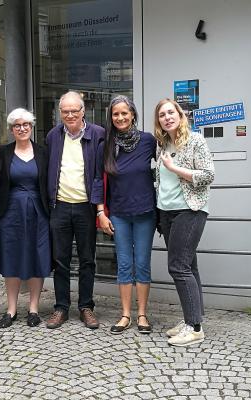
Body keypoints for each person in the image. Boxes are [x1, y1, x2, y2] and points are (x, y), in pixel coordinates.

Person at [153, 99, 215, 347]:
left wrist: (175, 168)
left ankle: (194, 328)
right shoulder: (162, 145)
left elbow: (208, 175)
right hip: (167, 212)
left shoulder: (195, 140)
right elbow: (161, 181)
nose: (167, 117)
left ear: (180, 115)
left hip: (189, 210)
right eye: (162, 115)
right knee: (189, 266)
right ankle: (193, 318)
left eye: (171, 112)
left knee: (178, 267)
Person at [45, 91, 106, 329]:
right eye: (65, 111)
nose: (70, 115)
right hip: (59, 206)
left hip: (85, 207)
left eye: (74, 110)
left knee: (87, 259)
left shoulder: (98, 134)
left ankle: (86, 307)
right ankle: (61, 307)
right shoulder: (53, 136)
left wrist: (99, 207)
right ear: (60, 113)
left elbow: (100, 174)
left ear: (83, 111)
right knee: (60, 259)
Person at [97, 96, 157, 334]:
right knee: (123, 264)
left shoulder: (148, 140)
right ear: (110, 117)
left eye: (124, 113)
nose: (120, 117)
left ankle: (142, 314)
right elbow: (98, 181)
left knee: (142, 263)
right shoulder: (106, 145)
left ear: (133, 114)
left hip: (145, 212)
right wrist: (100, 212)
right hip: (119, 213)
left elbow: (167, 163)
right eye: (115, 114)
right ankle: (125, 315)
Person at [0, 108, 51, 328]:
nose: (22, 128)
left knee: (38, 255)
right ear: (11, 129)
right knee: (11, 256)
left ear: (31, 127)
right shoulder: (2, 152)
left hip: (38, 211)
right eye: (17, 125)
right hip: (10, 212)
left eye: (26, 124)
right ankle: (11, 309)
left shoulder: (43, 152)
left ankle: (34, 308)